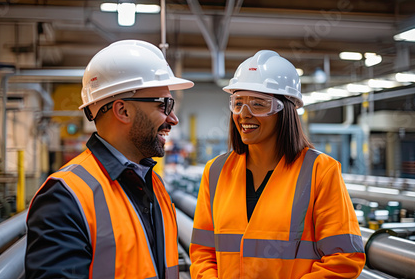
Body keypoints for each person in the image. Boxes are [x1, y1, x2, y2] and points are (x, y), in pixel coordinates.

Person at [25, 40, 194, 279]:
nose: (173, 119)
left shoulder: (154, 184)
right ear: (122, 110)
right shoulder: (64, 196)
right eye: (164, 105)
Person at [189, 50, 365, 278]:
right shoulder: (216, 172)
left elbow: (344, 258)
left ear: (286, 111)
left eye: (259, 104)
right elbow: (203, 253)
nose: (244, 114)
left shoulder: (320, 171)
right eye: (238, 103)